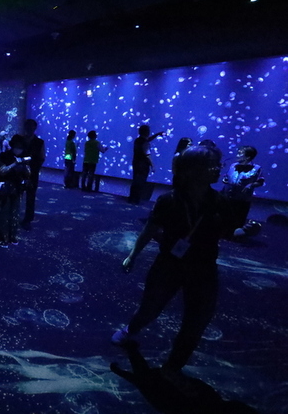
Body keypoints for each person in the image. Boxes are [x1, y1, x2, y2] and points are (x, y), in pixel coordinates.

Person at [112, 145, 234, 381]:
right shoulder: (169, 200)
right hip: (169, 264)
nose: (218, 169)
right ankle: (130, 330)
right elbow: (150, 229)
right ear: (192, 170)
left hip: (204, 267)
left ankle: (173, 367)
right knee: (150, 308)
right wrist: (133, 255)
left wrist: (243, 231)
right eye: (212, 165)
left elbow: (227, 232)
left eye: (218, 165)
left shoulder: (220, 201)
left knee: (197, 319)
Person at [0, 134, 30, 247]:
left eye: (21, 147)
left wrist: (25, 167)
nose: (19, 149)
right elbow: (2, 171)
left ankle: (13, 236)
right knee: (4, 212)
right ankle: (3, 237)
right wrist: (15, 164)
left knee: (15, 213)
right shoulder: (4, 156)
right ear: (13, 145)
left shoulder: (23, 156)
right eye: (17, 146)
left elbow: (28, 173)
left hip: (17, 188)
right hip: (4, 188)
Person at [221, 145, 264, 237]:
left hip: (242, 199)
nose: (237, 155)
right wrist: (225, 179)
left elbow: (260, 181)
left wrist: (251, 185)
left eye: (240, 154)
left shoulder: (257, 168)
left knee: (237, 219)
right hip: (227, 196)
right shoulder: (233, 166)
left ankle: (233, 236)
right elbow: (227, 176)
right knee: (223, 217)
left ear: (248, 157)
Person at [128, 124, 165, 204]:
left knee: (135, 180)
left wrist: (157, 134)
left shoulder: (137, 140)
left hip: (136, 162)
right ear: (147, 132)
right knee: (140, 181)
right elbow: (147, 155)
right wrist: (153, 165)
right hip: (143, 164)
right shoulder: (145, 142)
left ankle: (132, 197)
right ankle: (136, 199)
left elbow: (147, 140)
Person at [20, 119, 45, 231]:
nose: (29, 128)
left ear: (34, 128)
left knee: (31, 197)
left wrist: (34, 168)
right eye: (27, 126)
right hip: (18, 172)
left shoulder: (40, 142)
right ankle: (13, 216)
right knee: (16, 194)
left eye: (31, 127)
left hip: (32, 173)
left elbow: (42, 157)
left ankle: (28, 220)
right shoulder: (18, 140)